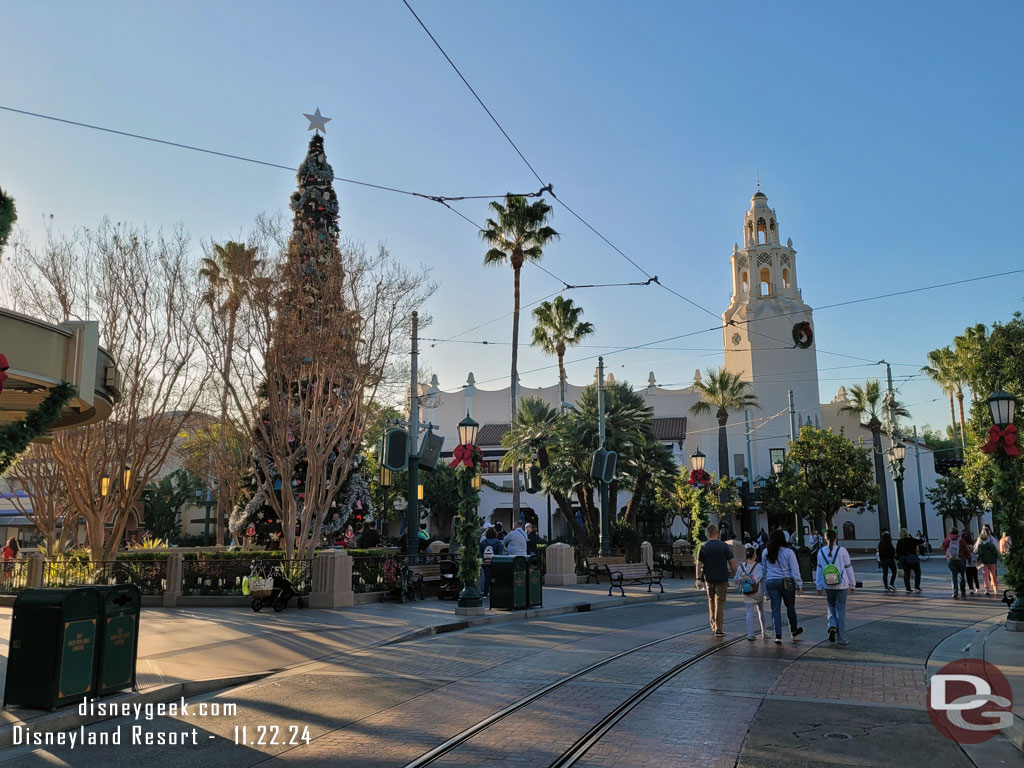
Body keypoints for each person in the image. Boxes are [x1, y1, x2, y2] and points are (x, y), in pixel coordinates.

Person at [762, 529, 803, 644]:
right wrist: (799, 583)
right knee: (790, 607)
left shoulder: (766, 552)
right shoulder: (788, 552)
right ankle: (794, 631)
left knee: (775, 608)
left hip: (771, 581)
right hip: (786, 581)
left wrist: (764, 589)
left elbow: (764, 571)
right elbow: (795, 569)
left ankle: (778, 634)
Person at [815, 529, 855, 645]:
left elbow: (819, 569)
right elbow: (848, 568)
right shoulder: (842, 551)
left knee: (830, 606)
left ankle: (832, 625)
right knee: (840, 610)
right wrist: (852, 584)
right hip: (841, 584)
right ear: (836, 538)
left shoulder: (821, 551)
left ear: (825, 538)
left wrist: (818, 585)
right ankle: (841, 638)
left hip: (827, 584)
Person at [696, 523, 736, 637]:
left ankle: (713, 625)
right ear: (717, 533)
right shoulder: (724, 546)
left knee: (711, 602)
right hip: (722, 579)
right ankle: (718, 628)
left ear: (708, 534)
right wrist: (738, 576)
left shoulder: (703, 546)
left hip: (709, 579)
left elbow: (698, 564)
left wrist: (698, 579)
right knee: (719, 603)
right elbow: (732, 563)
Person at [733, 545, 766, 641]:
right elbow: (761, 579)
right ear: (755, 555)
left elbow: (736, 580)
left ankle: (750, 632)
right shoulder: (759, 566)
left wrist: (742, 582)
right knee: (761, 610)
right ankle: (764, 631)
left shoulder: (741, 567)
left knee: (749, 612)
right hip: (757, 591)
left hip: (747, 591)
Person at [479, 527, 505, 597]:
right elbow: (500, 554)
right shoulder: (499, 543)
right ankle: (495, 592)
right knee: (495, 577)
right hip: (495, 562)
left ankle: (485, 593)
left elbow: (480, 553)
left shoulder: (483, 542)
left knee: (487, 577)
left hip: (485, 562)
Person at [896, 528, 924, 593]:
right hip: (913, 558)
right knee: (917, 572)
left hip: (903, 559)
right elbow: (921, 541)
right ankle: (917, 586)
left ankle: (908, 588)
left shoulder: (899, 541)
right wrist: (921, 536)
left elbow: (898, 551)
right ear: (907, 533)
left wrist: (897, 558)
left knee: (906, 573)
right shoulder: (911, 539)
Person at [942, 527, 968, 599]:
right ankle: (963, 591)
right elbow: (966, 550)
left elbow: (943, 547)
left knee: (954, 576)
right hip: (960, 559)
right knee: (962, 575)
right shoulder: (961, 540)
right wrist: (969, 558)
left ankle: (955, 592)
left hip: (950, 559)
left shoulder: (947, 540)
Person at [974, 530, 1000, 596]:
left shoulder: (980, 545)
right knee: (993, 575)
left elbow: (980, 553)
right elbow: (995, 552)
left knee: (985, 576)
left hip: (985, 562)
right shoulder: (991, 544)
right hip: (992, 562)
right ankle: (995, 588)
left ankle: (987, 589)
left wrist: (978, 559)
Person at [963, 530, 980, 596]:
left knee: (974, 578)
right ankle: (971, 588)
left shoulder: (973, 555)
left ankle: (977, 587)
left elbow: (975, 561)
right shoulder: (969, 555)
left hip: (972, 567)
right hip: (969, 567)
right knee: (970, 578)